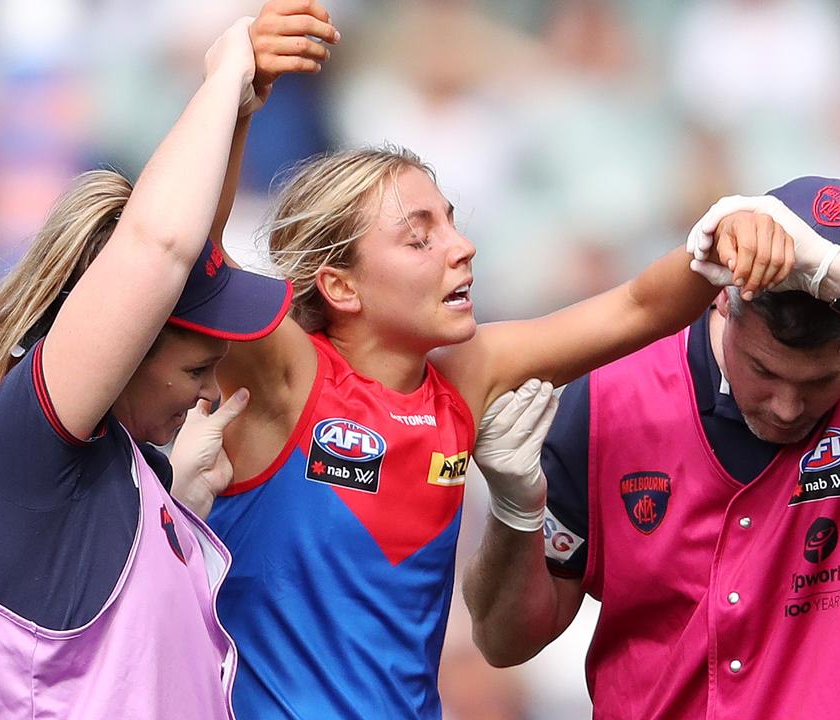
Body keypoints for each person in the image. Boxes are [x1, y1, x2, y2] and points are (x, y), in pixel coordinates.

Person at [187, 20, 798, 717]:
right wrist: (236, 99)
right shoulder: (284, 379)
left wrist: (723, 235)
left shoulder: (463, 378)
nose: (463, 247)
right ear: (341, 287)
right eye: (421, 237)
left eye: (451, 221)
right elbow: (196, 263)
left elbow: (635, 306)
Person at [462, 177, 840, 719]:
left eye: (820, 380)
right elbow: (503, 639)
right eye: (764, 371)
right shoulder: (610, 391)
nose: (787, 407)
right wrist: (516, 510)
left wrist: (833, 271)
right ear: (725, 299)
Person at [0, 9, 335, 717]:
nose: (211, 393)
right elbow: (159, 250)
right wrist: (222, 75)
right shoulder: (28, 451)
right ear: (123, 349)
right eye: (196, 371)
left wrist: (178, 501)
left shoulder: (114, 477)